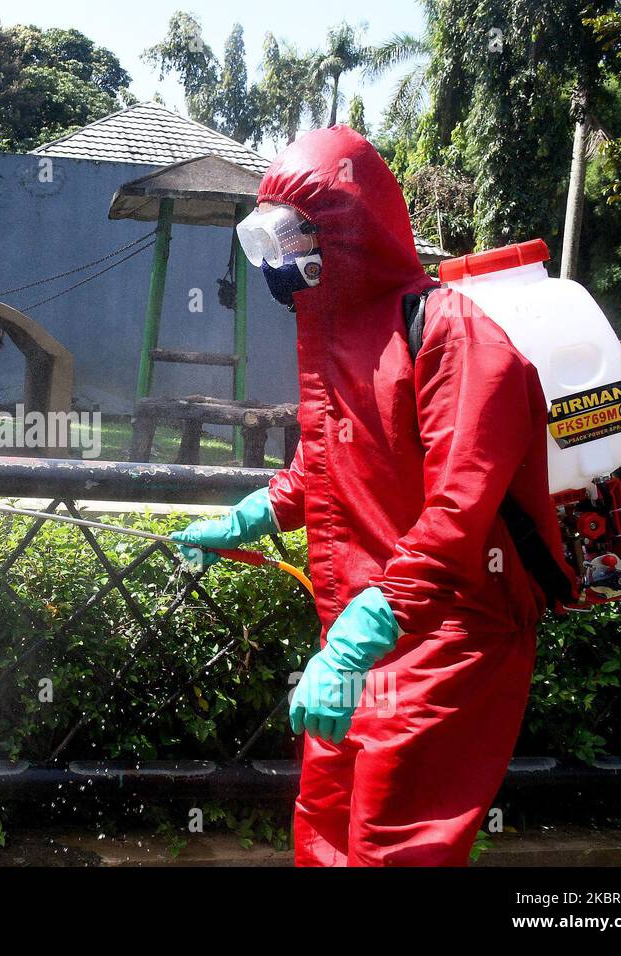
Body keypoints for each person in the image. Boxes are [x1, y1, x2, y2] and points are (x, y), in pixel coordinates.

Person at [172, 125, 574, 866]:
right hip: (364, 632)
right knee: (325, 813)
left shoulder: (452, 334)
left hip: (450, 633)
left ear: (348, 234)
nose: (278, 264)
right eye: (268, 243)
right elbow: (321, 468)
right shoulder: (335, 333)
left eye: (293, 239)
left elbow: (460, 512)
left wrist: (365, 632)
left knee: (396, 839)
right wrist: (250, 516)